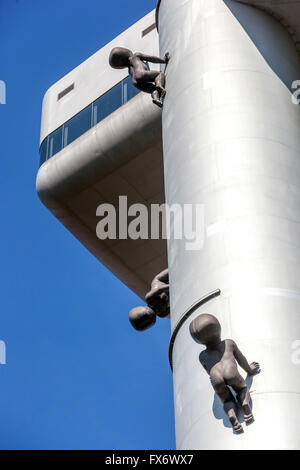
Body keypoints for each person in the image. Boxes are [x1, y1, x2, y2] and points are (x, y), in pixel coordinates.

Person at [190, 314, 260, 434]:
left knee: (227, 400)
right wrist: (250, 370)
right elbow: (241, 360)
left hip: (215, 377)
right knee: (242, 388)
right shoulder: (228, 343)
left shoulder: (202, 356)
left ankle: (232, 416)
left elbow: (208, 371)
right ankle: (245, 405)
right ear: (219, 329)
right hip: (230, 371)